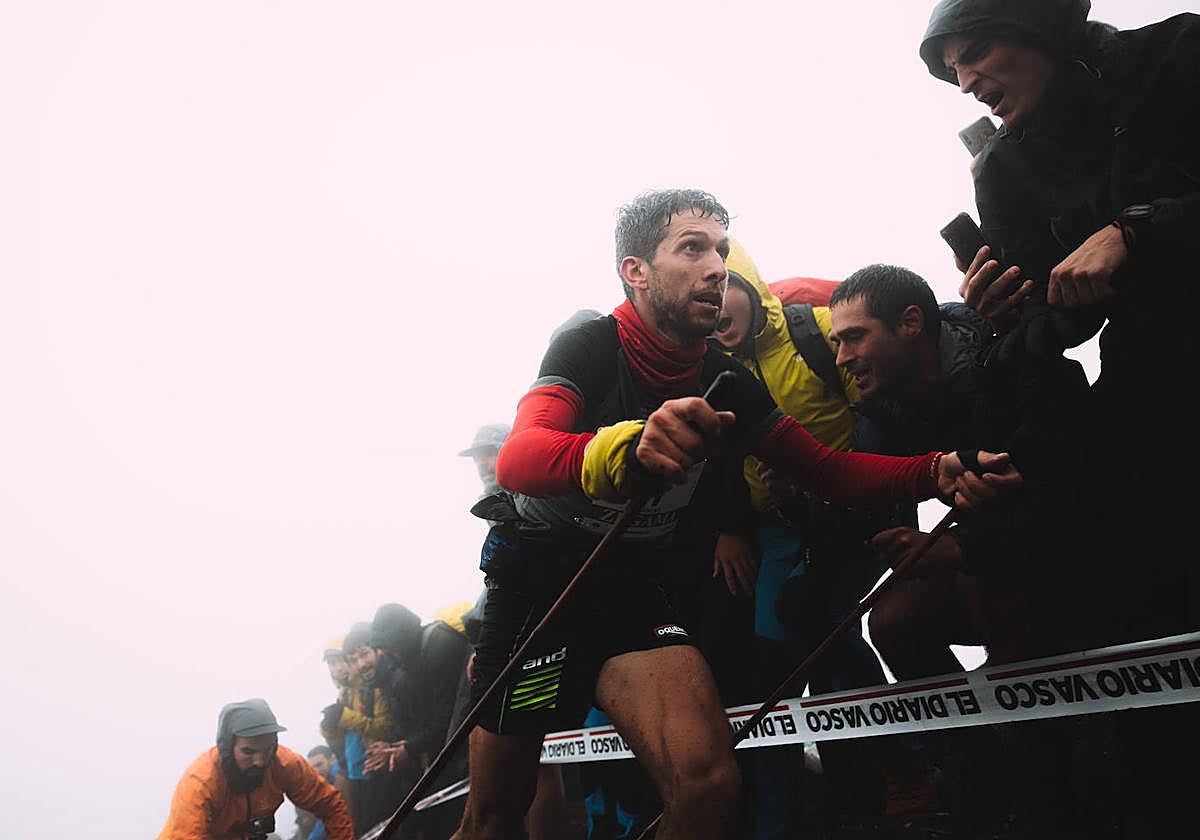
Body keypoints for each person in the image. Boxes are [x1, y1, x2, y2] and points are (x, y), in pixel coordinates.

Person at [450, 188, 1016, 840]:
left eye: (720, 249)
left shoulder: (727, 378)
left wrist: (932, 468)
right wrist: (626, 447)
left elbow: (827, 471)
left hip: (633, 596)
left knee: (708, 786)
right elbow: (521, 458)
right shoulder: (590, 341)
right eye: (692, 248)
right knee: (496, 817)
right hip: (540, 593)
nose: (717, 266)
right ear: (636, 270)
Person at [918, 2, 1200, 836]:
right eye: (953, 73)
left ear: (1038, 24)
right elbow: (1052, 331)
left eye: (978, 52)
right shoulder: (1002, 169)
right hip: (1156, 382)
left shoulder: (1178, 53)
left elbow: (1128, 245)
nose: (969, 82)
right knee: (1139, 590)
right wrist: (1006, 315)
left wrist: (1136, 232)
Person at [712, 246, 933, 835]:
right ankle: (864, 784)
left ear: (747, 285)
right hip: (791, 526)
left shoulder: (811, 336)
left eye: (721, 294)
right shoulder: (717, 366)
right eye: (702, 306)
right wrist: (738, 522)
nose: (714, 315)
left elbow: (875, 407)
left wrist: (852, 485)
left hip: (862, 507)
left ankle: (906, 766)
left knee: (830, 622)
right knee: (805, 636)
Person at [158, 698, 353, 840]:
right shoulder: (200, 783)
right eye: (248, 751)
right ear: (228, 747)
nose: (260, 761)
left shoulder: (284, 763)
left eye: (267, 749)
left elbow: (331, 806)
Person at [306, 746, 349, 840]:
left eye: (319, 765)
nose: (316, 771)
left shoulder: (338, 779)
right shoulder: (327, 781)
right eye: (312, 768)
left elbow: (329, 819)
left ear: (332, 759)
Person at [459, 423, 511, 498]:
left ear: (509, 454)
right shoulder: (486, 507)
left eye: (488, 454)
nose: (481, 463)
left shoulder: (532, 496)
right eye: (476, 458)